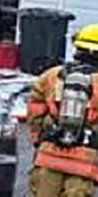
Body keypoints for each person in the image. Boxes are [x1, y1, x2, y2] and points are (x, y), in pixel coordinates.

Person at [26, 24, 98, 197]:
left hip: (49, 155)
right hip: (84, 162)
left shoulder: (52, 75)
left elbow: (35, 111)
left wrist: (38, 139)